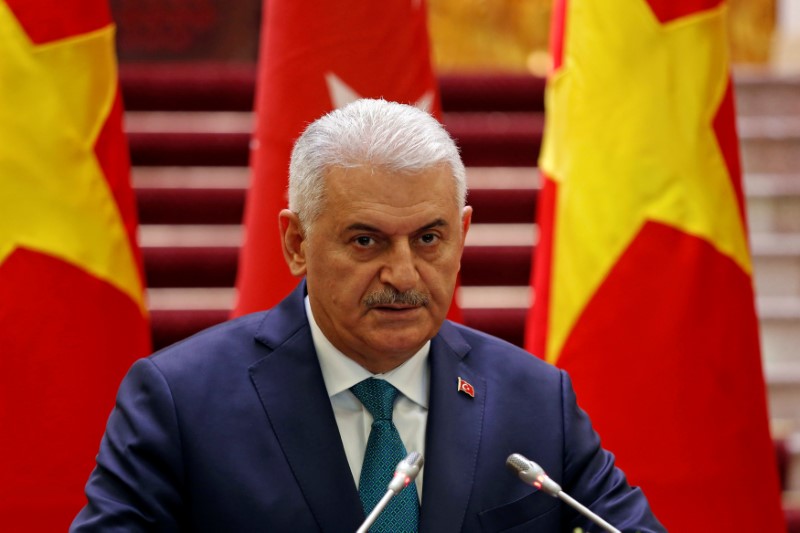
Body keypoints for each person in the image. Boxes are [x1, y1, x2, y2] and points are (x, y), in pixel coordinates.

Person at [71, 99, 665, 532]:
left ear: (463, 234)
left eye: (429, 239)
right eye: (366, 242)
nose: (404, 275)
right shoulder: (180, 401)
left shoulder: (536, 400)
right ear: (296, 243)